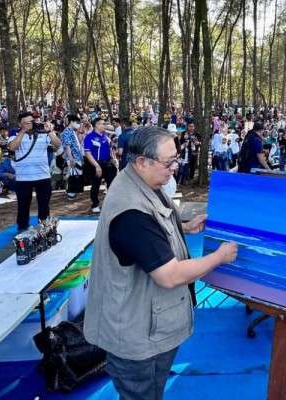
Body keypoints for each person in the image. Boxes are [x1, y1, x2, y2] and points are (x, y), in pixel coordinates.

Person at [83, 126, 238, 400]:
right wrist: (219, 257)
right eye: (169, 163)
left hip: (145, 325)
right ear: (142, 161)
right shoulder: (131, 213)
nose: (174, 169)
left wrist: (185, 226)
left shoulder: (141, 182)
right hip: (136, 337)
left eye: (175, 159)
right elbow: (170, 275)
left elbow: (157, 221)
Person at [8, 111, 61, 232]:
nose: (29, 124)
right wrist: (22, 131)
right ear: (20, 124)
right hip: (23, 178)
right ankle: (22, 228)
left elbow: (58, 144)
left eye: (30, 122)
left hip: (43, 176)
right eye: (25, 123)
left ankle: (44, 228)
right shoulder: (14, 134)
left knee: (44, 205)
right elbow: (12, 147)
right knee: (23, 205)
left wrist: (50, 132)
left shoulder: (43, 133)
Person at [84, 117, 117, 213]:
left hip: (107, 163)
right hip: (95, 164)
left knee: (111, 184)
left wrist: (113, 159)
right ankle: (95, 204)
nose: (104, 126)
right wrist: (96, 166)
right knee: (96, 185)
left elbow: (110, 149)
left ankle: (111, 204)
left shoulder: (106, 136)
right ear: (96, 125)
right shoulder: (89, 137)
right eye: (102, 124)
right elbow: (87, 153)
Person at [61, 114, 84, 200]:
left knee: (76, 174)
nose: (78, 124)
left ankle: (73, 192)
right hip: (73, 157)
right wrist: (71, 159)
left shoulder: (72, 131)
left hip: (76, 156)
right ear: (71, 122)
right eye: (77, 122)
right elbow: (67, 146)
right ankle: (71, 193)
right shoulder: (67, 131)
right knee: (73, 175)